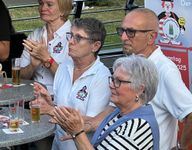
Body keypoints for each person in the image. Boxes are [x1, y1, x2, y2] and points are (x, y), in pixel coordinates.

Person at [84, 8, 192, 150]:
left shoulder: (165, 70)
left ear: (151, 37)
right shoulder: (131, 63)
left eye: (131, 32)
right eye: (122, 31)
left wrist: (182, 147)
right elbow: (113, 109)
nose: (123, 37)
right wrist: (83, 125)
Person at [33, 17, 111, 150]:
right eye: (70, 35)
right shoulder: (64, 66)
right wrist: (49, 103)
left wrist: (53, 110)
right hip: (58, 145)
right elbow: (63, 106)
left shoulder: (102, 77)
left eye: (78, 38)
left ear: (95, 46)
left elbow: (91, 123)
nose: (70, 42)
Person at [53, 55, 160, 150]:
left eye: (118, 81)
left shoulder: (137, 128)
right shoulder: (121, 112)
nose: (111, 85)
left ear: (139, 90)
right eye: (112, 79)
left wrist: (77, 132)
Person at [21, 0, 72, 95]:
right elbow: (20, 77)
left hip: (60, 100)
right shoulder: (35, 35)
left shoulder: (74, 37)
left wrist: (47, 59)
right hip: (34, 98)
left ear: (63, 10)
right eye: (41, 3)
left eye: (49, 4)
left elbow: (72, 81)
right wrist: (32, 66)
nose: (43, 8)